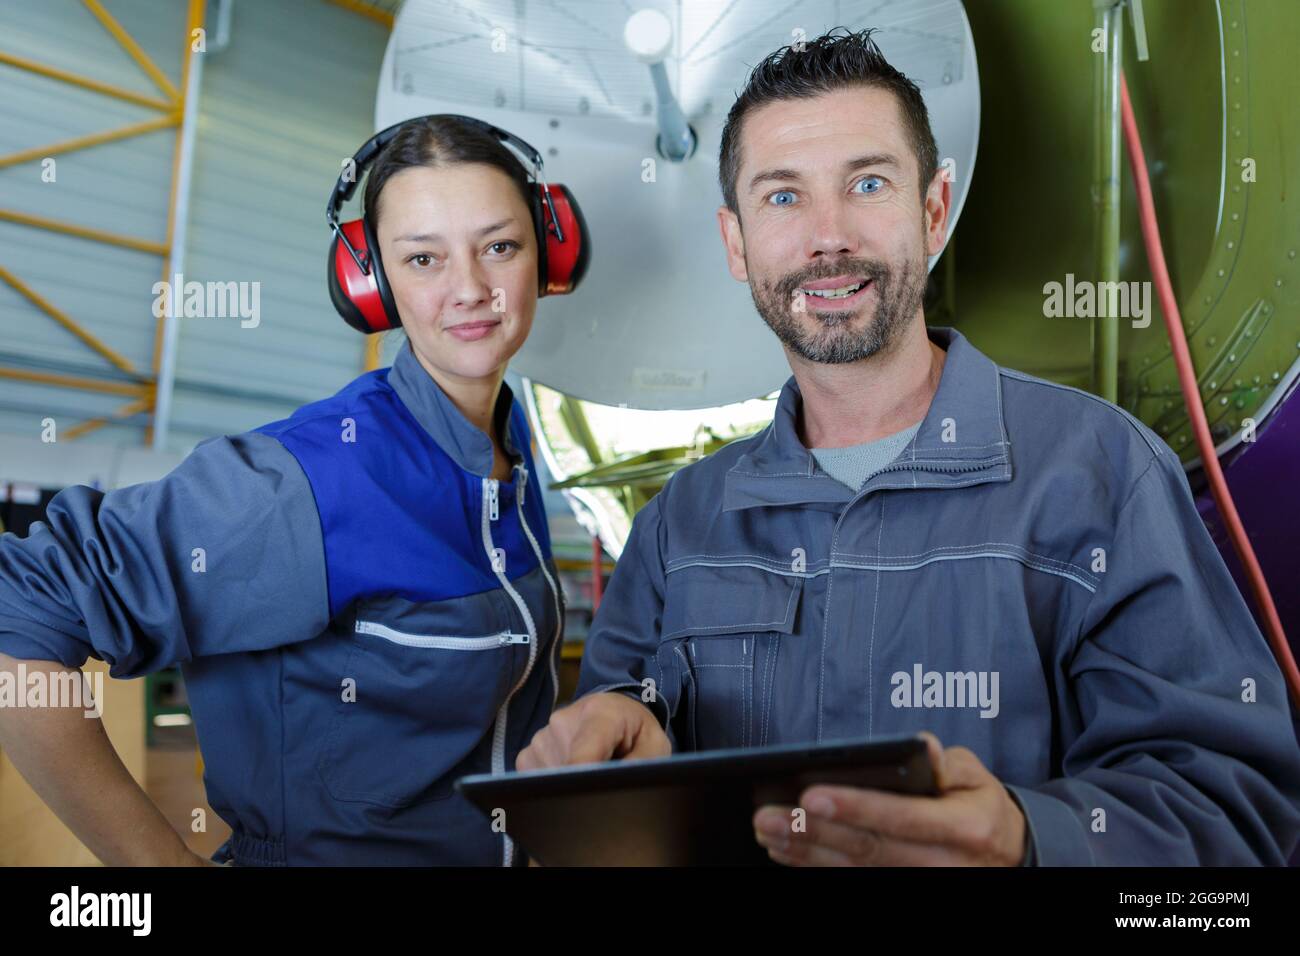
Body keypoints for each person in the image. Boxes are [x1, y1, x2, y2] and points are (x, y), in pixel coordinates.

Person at [517, 28, 1300, 866]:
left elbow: (1234, 809)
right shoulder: (679, 527)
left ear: (932, 210)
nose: (828, 236)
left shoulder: (1102, 473)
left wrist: (1032, 841)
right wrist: (604, 748)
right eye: (782, 197)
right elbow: (617, 740)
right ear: (736, 242)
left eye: (867, 183)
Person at [0, 114, 586, 866]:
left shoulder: (513, 449)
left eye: (499, 247)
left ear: (549, 252)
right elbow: (20, 613)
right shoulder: (308, 479)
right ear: (371, 282)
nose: (470, 288)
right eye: (423, 259)